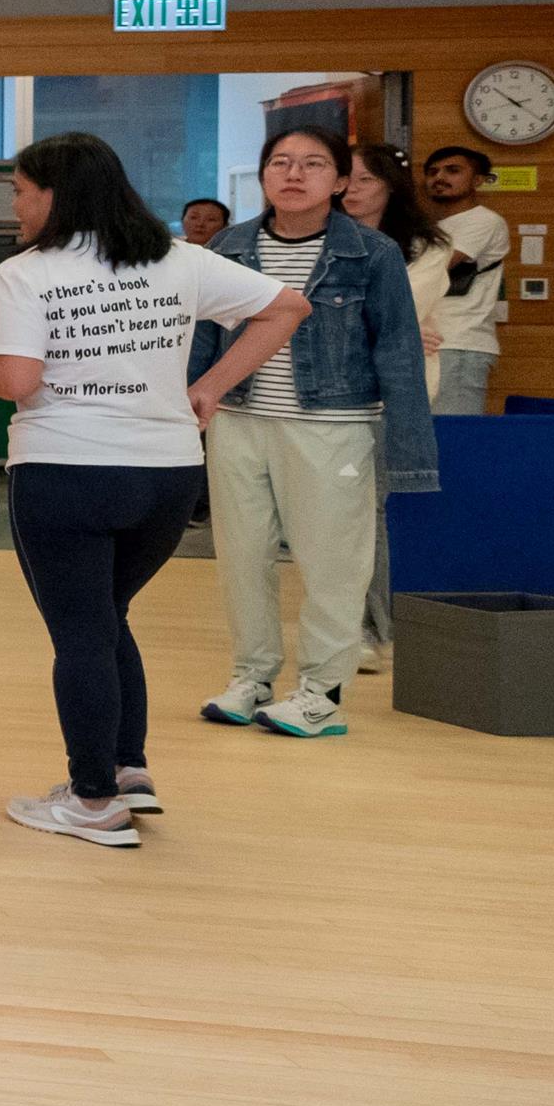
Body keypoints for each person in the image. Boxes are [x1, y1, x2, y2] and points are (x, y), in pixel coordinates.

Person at [0, 129, 307, 847]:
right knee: (108, 618)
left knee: (82, 632)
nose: (15, 206)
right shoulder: (180, 260)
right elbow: (287, 307)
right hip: (166, 474)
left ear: (55, 195)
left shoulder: (27, 273)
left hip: (66, 470)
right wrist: (208, 389)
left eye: (20, 191)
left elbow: (19, 382)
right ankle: (127, 771)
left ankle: (92, 802)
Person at [193, 129, 437, 740]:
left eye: (312, 164)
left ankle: (321, 693)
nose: (293, 174)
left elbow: (400, 353)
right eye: (280, 162)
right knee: (242, 558)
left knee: (332, 564)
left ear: (339, 181)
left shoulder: (371, 252)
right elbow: (202, 337)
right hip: (239, 421)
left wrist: (407, 453)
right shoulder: (229, 244)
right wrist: (191, 409)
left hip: (332, 426)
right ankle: (251, 678)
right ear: (263, 175)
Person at [336, 141, 452, 670]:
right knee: (328, 519)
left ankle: (367, 629)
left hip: (389, 401)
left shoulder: (428, 247)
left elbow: (393, 311)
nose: (353, 190)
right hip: (322, 396)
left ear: (389, 185)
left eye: (365, 180)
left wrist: (399, 327)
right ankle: (337, 623)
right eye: (347, 179)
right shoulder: (318, 237)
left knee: (369, 514)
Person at [417, 143, 514, 414]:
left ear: (478, 180)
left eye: (453, 170)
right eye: (433, 172)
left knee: (453, 439)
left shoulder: (483, 221)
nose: (439, 178)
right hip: (430, 343)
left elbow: (433, 270)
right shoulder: (431, 229)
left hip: (458, 343)